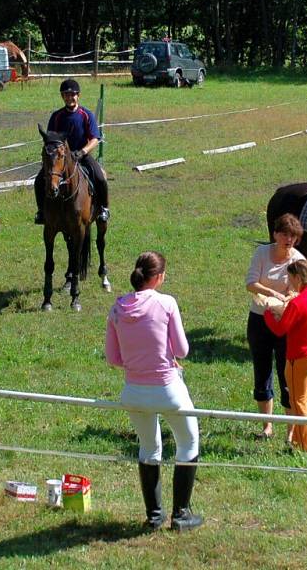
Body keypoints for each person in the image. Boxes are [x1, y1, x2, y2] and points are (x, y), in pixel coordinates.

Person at [105, 251, 203, 532]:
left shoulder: (117, 308)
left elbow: (113, 358)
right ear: (159, 278)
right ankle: (181, 515)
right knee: (188, 443)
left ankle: (154, 516)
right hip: (168, 389)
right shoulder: (167, 303)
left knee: (149, 447)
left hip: (133, 391)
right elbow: (182, 350)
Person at [245, 213, 306, 441]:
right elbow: (251, 283)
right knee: (262, 373)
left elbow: (304, 290)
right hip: (260, 319)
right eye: (284, 234)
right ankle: (267, 426)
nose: (288, 239)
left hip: (285, 323)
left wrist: (291, 295)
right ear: (275, 234)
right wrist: (272, 293)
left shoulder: (298, 260)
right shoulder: (262, 253)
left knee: (286, 376)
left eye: (293, 236)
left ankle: (290, 432)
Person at [263, 259, 307, 452]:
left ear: (298, 278)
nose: (288, 282)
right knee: (304, 399)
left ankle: (306, 447)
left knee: (297, 401)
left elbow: (280, 330)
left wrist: (268, 314)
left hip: (298, 358)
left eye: (290, 278)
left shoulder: (297, 303)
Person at [34, 78, 109, 224]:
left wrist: (82, 152)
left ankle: (103, 208)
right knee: (38, 180)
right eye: (66, 95)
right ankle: (41, 211)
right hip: (60, 158)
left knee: (100, 177)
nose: (70, 98)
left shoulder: (86, 114)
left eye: (72, 94)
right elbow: (50, 139)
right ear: (62, 97)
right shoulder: (57, 116)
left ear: (78, 95)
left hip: (81, 155)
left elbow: (95, 138)